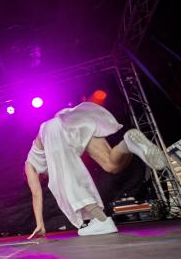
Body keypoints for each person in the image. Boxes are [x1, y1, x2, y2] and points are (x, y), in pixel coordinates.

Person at [25, 102, 167, 238]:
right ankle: (127, 144)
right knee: (111, 165)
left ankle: (102, 220)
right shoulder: (46, 158)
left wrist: (40, 224)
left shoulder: (29, 164)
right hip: (73, 122)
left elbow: (36, 194)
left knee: (61, 183)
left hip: (52, 129)